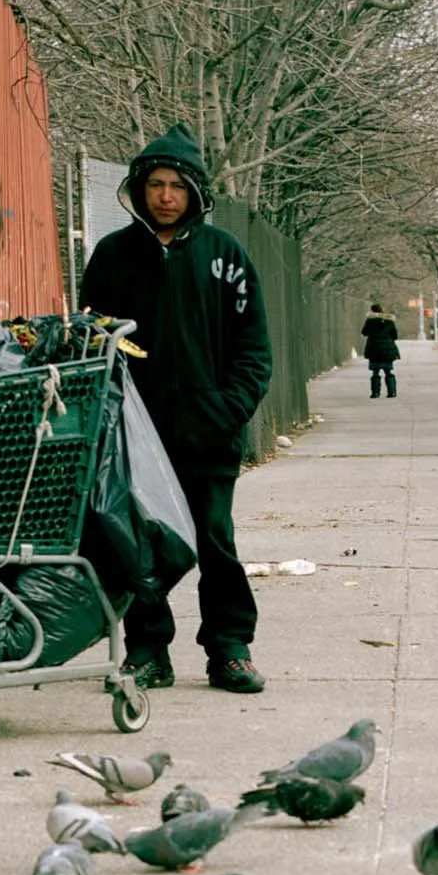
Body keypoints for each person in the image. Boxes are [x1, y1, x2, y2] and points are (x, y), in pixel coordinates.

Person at [79, 125, 273, 694]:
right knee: (141, 545)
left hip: (209, 434)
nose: (166, 196)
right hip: (137, 434)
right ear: (139, 191)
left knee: (214, 540)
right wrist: (115, 417)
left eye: (177, 186)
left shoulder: (224, 256)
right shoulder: (113, 256)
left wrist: (228, 408)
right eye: (156, 185)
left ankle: (229, 649)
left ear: (195, 193)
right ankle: (147, 651)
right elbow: (94, 341)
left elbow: (253, 347)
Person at [361, 301, 400, 397]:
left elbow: (364, 332)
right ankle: (392, 392)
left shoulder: (370, 321)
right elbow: (395, 336)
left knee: (375, 372)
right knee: (388, 371)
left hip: (374, 349)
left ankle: (375, 393)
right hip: (388, 350)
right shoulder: (389, 321)